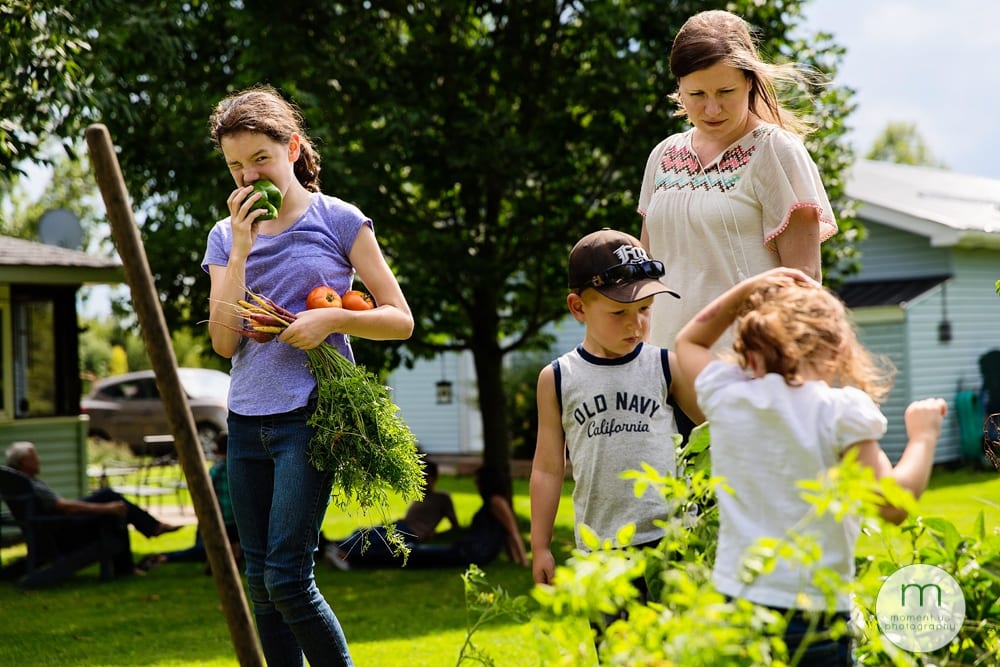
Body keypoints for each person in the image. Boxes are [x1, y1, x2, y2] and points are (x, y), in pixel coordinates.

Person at [201, 84, 413, 667]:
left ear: (292, 148)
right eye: (236, 166)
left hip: (311, 418)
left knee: (288, 578)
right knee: (262, 584)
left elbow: (400, 320)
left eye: (260, 159)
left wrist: (330, 319)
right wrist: (240, 251)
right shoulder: (224, 238)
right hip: (247, 423)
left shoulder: (338, 219)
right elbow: (223, 342)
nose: (248, 177)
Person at [674, 267, 946, 665]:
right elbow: (894, 505)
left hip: (737, 601)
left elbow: (689, 339)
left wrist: (754, 286)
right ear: (836, 349)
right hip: (811, 612)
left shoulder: (728, 396)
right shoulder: (837, 412)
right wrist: (923, 436)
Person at [639, 9, 838, 355]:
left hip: (743, 373)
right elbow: (645, 273)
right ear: (679, 89)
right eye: (697, 94)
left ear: (749, 81)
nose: (712, 109)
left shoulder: (776, 151)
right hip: (662, 370)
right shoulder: (662, 155)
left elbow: (803, 281)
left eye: (725, 91)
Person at [529, 228, 703, 592]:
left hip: (671, 543)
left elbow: (717, 432)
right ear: (578, 307)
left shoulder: (666, 367)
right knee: (614, 650)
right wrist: (541, 545)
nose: (635, 324)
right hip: (600, 550)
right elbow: (547, 468)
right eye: (618, 312)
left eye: (645, 309)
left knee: (675, 649)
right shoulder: (558, 378)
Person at [3, 441, 181, 576]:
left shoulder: (21, 483)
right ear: (24, 462)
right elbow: (64, 507)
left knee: (111, 499)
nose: (38, 460)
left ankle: (148, 533)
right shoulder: (31, 485)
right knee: (112, 505)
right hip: (62, 534)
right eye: (34, 457)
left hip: (52, 530)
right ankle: (146, 537)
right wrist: (105, 509)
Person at [325, 466, 527, 570]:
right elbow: (505, 535)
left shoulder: (496, 502)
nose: (475, 484)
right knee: (373, 537)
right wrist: (513, 559)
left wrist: (524, 563)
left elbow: (512, 533)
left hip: (470, 551)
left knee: (407, 554)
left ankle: (346, 555)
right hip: (467, 548)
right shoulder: (493, 503)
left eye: (478, 480)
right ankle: (341, 551)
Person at [322, 460, 458, 567]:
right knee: (365, 532)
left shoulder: (442, 498)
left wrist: (435, 535)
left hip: (412, 531)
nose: (422, 480)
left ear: (435, 477)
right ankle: (334, 546)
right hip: (401, 525)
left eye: (426, 476)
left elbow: (455, 525)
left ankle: (341, 553)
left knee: (376, 541)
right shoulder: (420, 496)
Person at [137, 433, 240, 572]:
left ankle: (209, 563)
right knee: (232, 542)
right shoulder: (237, 469)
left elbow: (207, 492)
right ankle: (231, 562)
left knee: (210, 543)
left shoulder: (216, 470)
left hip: (216, 516)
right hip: (233, 517)